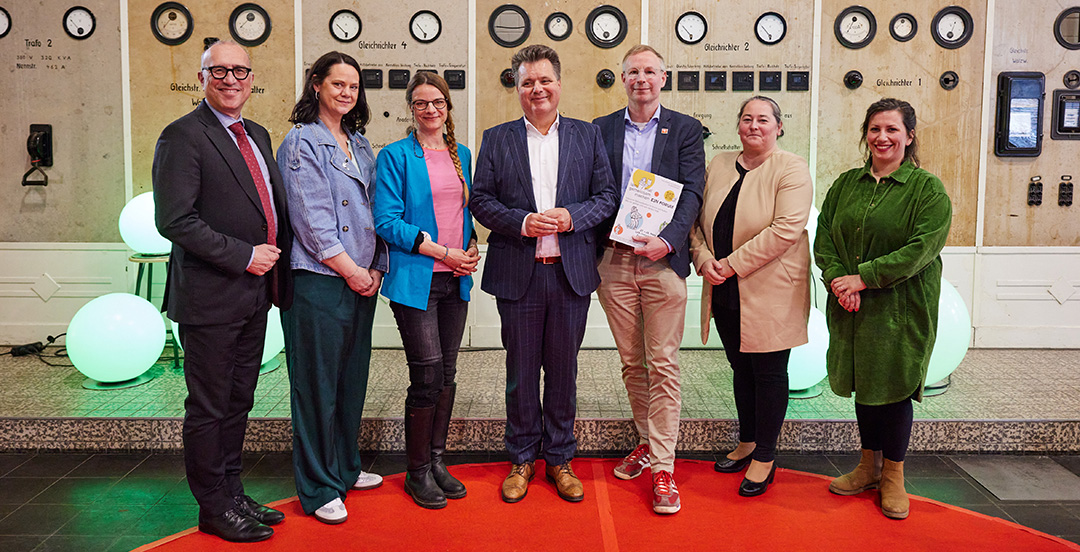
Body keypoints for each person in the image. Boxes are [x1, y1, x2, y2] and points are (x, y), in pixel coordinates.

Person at [153, 40, 292, 542]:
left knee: (239, 401)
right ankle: (212, 507)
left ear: (251, 77)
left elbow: (266, 205)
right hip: (211, 297)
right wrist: (244, 254)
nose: (231, 79)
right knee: (209, 407)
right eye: (220, 70)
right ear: (202, 75)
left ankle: (232, 492)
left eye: (241, 70)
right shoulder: (182, 136)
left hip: (255, 294)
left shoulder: (256, 133)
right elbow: (174, 220)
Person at [469, 44, 618, 504]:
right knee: (519, 371)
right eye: (527, 82)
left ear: (559, 83)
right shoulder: (496, 138)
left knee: (563, 372)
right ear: (517, 88)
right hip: (520, 273)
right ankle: (520, 458)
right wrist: (522, 222)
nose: (537, 89)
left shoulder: (586, 136)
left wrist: (572, 217)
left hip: (569, 273)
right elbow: (480, 200)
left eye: (544, 80)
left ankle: (559, 458)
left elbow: (607, 196)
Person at [815, 98, 951, 520]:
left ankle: (893, 474)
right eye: (875, 129)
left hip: (900, 309)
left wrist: (864, 277)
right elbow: (825, 239)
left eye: (892, 129)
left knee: (893, 388)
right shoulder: (846, 184)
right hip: (851, 306)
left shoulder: (927, 190)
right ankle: (867, 465)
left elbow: (921, 250)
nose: (882, 137)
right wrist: (841, 280)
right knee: (865, 383)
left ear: (909, 137)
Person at [592, 45, 705, 515]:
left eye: (650, 71)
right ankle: (646, 440)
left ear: (664, 77)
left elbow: (693, 192)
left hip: (662, 261)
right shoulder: (598, 130)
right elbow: (593, 190)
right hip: (614, 262)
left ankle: (663, 468)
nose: (642, 79)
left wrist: (670, 241)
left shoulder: (684, 128)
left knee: (663, 363)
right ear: (623, 79)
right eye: (633, 72)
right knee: (632, 360)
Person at [276, 51, 387, 525]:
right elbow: (311, 220)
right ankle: (319, 484)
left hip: (362, 280)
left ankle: (345, 466)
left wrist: (376, 268)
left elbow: (379, 213)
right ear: (316, 85)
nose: (346, 92)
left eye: (353, 86)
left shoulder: (360, 145)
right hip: (320, 280)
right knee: (317, 387)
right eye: (337, 84)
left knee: (350, 380)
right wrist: (351, 270)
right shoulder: (301, 143)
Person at [690, 96, 812, 497]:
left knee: (769, 373)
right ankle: (746, 440)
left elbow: (784, 230)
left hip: (770, 290)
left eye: (763, 119)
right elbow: (696, 220)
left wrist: (729, 265)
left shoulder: (791, 168)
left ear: (779, 127)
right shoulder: (721, 163)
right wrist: (705, 258)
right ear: (738, 125)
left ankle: (766, 454)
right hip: (724, 287)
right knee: (741, 369)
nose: (753, 126)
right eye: (746, 119)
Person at [373, 71, 479, 509]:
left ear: (447, 106)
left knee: (448, 374)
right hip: (418, 280)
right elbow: (386, 221)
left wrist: (470, 247)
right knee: (428, 374)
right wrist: (442, 251)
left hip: (456, 279)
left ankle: (437, 461)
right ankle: (416, 472)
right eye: (420, 103)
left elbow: (466, 214)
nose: (430, 109)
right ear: (411, 109)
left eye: (437, 101)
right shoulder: (395, 156)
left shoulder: (462, 155)